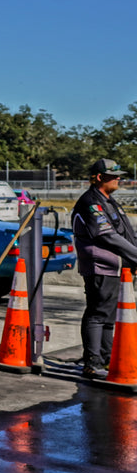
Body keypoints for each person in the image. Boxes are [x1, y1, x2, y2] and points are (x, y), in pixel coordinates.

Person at [72, 158, 137, 379]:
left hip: (116, 266)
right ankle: (92, 363)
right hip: (100, 266)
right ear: (100, 177)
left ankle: (106, 359)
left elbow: (126, 234)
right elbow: (107, 236)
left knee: (108, 316)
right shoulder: (90, 202)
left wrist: (133, 259)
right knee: (98, 314)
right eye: (114, 175)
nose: (119, 179)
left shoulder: (109, 201)